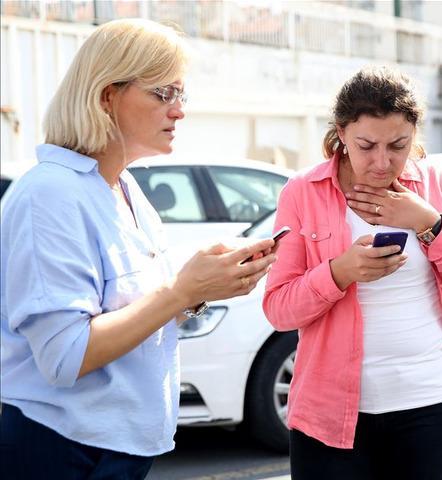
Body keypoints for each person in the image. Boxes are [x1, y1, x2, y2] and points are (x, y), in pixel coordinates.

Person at [0, 19, 277, 479]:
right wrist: (179, 292)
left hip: (112, 447)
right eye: (163, 94)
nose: (179, 111)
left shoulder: (124, 186)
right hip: (63, 450)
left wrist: (206, 286)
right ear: (107, 96)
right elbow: (67, 356)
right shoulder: (49, 194)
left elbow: (140, 312)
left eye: (181, 95)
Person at [262, 66, 442, 480]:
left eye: (398, 145)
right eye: (366, 145)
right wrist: (339, 272)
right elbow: (278, 309)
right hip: (330, 412)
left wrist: (429, 222)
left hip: (429, 403)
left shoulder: (437, 187)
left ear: (414, 135)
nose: (382, 161)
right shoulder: (302, 191)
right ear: (341, 133)